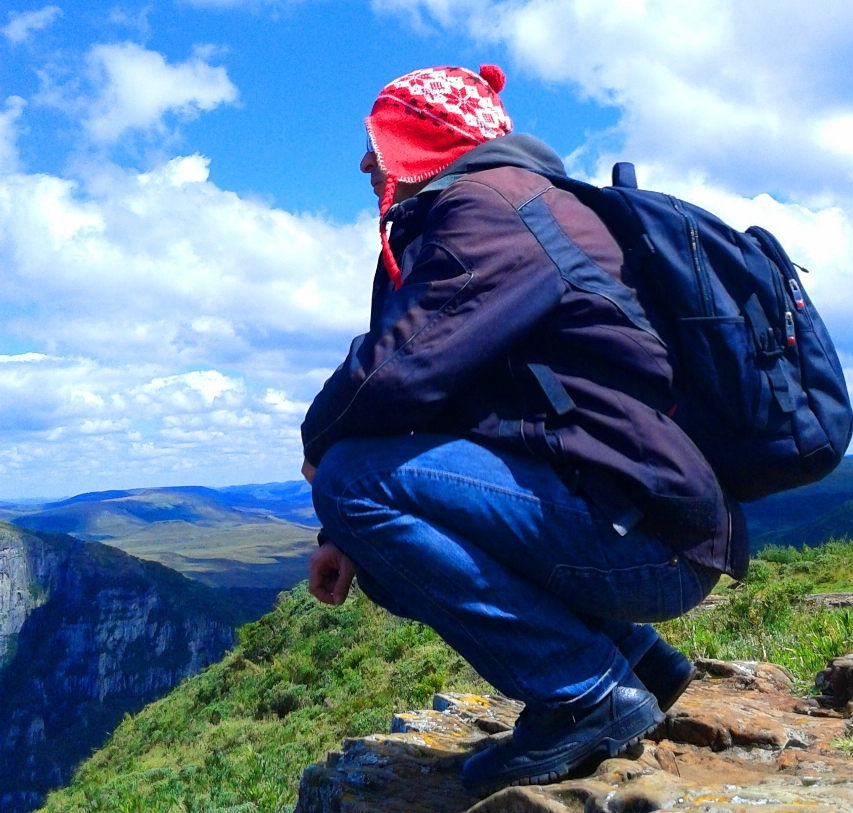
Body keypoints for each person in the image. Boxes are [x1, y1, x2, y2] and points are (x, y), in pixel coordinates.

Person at [300, 64, 748, 795]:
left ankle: (583, 691)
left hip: (647, 537)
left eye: (378, 144)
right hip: (642, 519)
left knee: (352, 476)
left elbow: (400, 368)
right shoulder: (510, 206)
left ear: (424, 140)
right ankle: (632, 659)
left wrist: (319, 453)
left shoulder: (492, 211)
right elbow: (437, 399)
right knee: (374, 547)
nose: (364, 163)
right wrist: (340, 536)